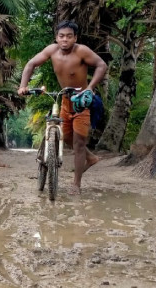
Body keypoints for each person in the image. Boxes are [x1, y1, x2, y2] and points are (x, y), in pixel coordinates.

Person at [18, 20, 107, 195]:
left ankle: (76, 184)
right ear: (56, 38)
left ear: (75, 38)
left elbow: (101, 65)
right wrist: (23, 85)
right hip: (65, 100)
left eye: (69, 36)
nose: (65, 39)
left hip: (82, 102)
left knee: (78, 143)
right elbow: (31, 64)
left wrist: (90, 88)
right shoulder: (51, 51)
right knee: (65, 137)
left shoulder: (81, 51)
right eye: (61, 36)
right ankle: (90, 158)